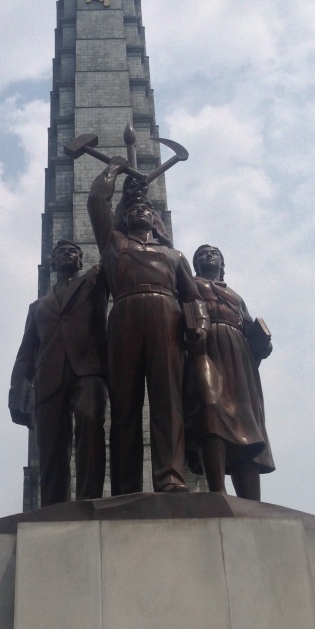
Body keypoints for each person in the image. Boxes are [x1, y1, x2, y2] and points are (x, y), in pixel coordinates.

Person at [87, 158, 208, 495]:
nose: (140, 211)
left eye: (146, 209)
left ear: (155, 220)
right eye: (133, 208)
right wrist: (112, 170)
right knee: (124, 402)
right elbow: (97, 203)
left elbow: (193, 295)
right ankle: (125, 484)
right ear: (124, 216)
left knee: (167, 400)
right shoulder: (113, 244)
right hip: (125, 314)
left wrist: (197, 323)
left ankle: (170, 475)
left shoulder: (174, 256)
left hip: (166, 317)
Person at [9, 240, 108, 506]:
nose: (68, 254)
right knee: (50, 444)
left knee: (90, 423)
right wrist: (16, 394)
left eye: (74, 251)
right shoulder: (38, 306)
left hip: (87, 369)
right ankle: (54, 507)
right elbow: (26, 352)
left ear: (81, 260)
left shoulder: (94, 281)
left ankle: (90, 499)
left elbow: (111, 250)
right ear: (52, 263)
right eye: (61, 252)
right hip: (48, 377)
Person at [186, 244, 274, 500]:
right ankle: (217, 491)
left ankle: (251, 500)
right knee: (210, 408)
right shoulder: (191, 284)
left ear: (222, 264)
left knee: (245, 419)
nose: (207, 256)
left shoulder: (234, 295)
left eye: (213, 253)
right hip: (205, 346)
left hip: (238, 354)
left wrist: (262, 343)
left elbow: (247, 325)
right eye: (201, 254)